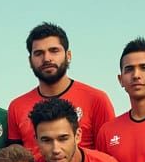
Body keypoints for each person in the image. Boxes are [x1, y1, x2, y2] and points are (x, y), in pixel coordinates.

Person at [7, 23, 114, 154]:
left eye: (54, 51)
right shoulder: (17, 107)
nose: (46, 58)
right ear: (30, 61)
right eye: (39, 53)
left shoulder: (97, 100)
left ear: (68, 55)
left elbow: (108, 158)